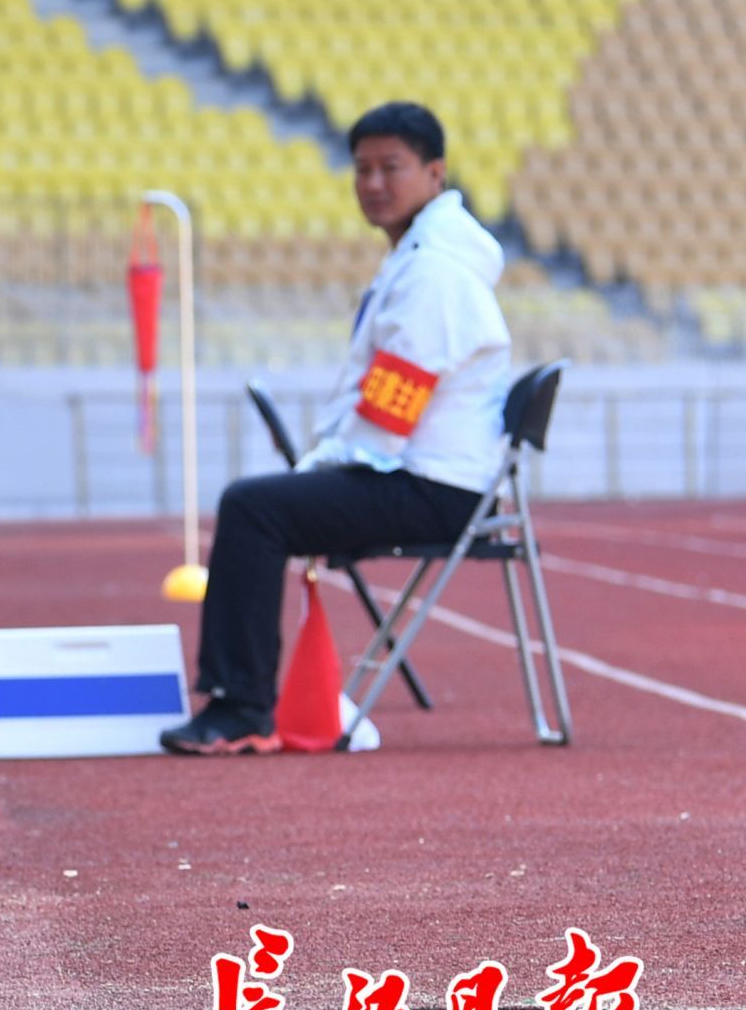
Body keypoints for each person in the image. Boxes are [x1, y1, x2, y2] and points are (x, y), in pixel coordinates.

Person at [165, 102, 512, 757]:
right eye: (362, 170)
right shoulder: (419, 259)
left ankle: (241, 707)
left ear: (435, 173)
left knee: (254, 506)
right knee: (265, 502)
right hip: (426, 474)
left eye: (391, 167)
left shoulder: (434, 272)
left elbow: (392, 407)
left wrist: (322, 467)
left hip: (432, 484)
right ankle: (239, 698)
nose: (374, 184)